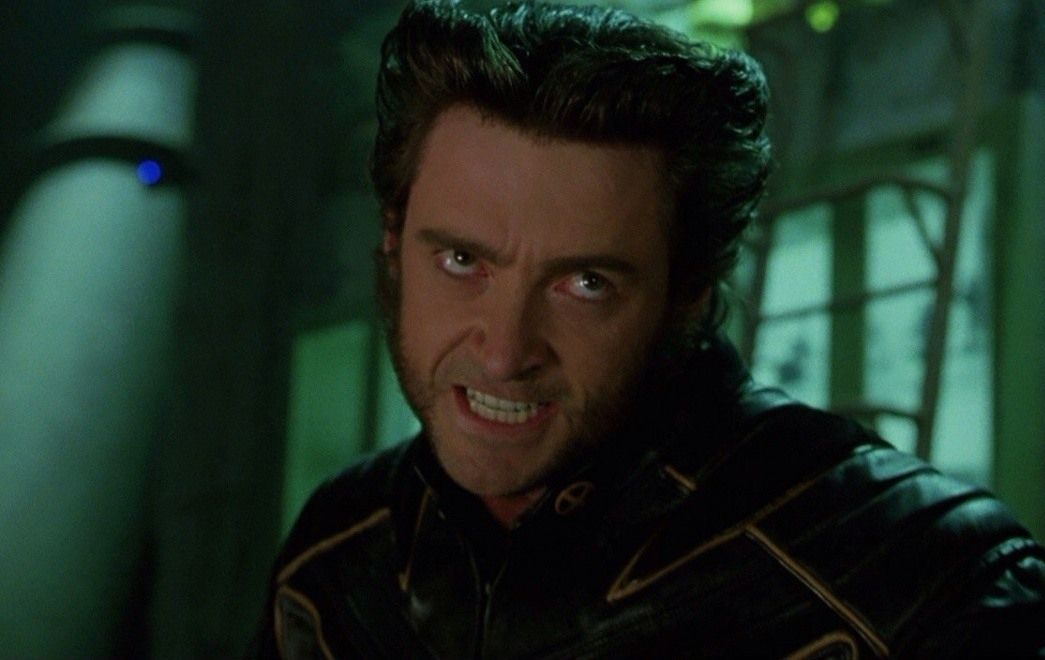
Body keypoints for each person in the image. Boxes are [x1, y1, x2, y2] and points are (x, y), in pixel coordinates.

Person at [249, 1, 1045, 657]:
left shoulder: (916, 581)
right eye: (461, 260)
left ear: (688, 292)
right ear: (392, 243)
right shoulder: (338, 556)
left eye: (584, 283)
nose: (503, 352)